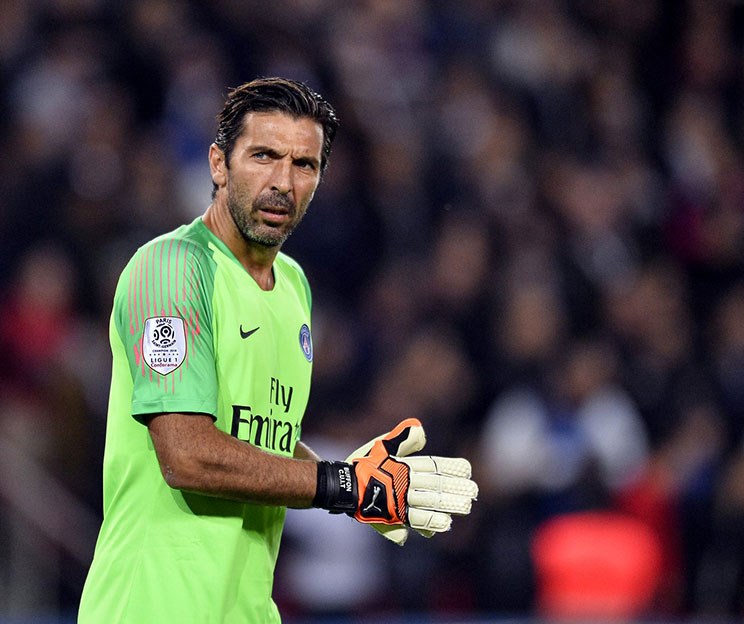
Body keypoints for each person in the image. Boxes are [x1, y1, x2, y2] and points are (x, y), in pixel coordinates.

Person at [77, 77, 477, 623]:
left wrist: (358, 483)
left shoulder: (293, 286)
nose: (283, 182)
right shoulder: (171, 269)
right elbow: (186, 454)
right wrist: (340, 485)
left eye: (304, 164)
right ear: (219, 164)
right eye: (263, 156)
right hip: (151, 608)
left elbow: (261, 445)